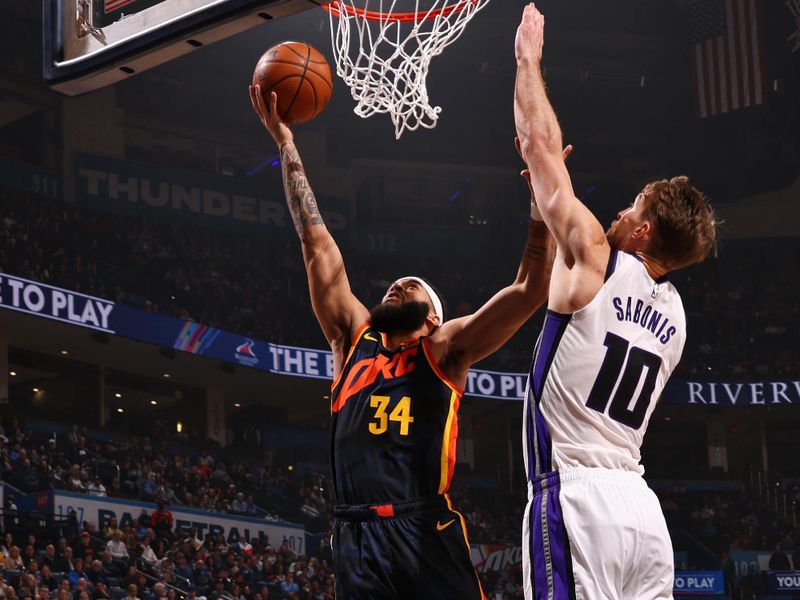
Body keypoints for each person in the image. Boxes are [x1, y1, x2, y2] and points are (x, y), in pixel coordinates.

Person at [249, 83, 556, 599]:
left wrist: (540, 200)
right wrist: (286, 143)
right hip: (354, 535)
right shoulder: (353, 341)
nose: (397, 286)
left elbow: (529, 290)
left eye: (411, 288)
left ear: (432, 318)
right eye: (394, 285)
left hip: (421, 528)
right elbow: (315, 240)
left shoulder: (443, 351)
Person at [513, 4, 718, 599]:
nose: (621, 212)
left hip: (578, 498)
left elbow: (538, 143)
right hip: (642, 513)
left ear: (646, 231)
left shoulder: (597, 260)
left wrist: (528, 59)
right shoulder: (675, 317)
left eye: (633, 206)